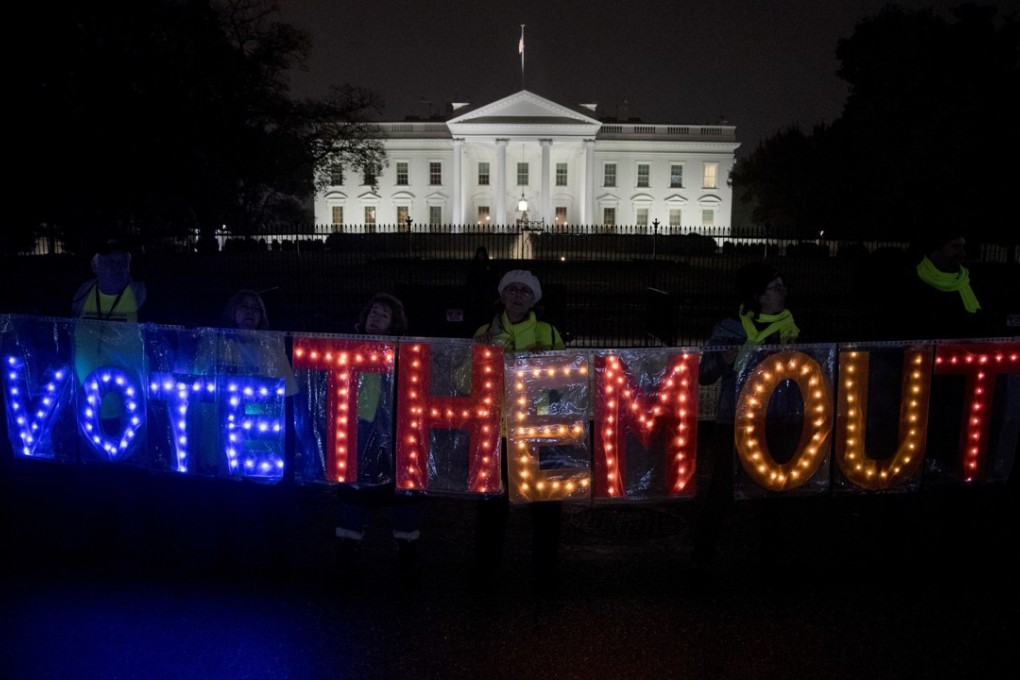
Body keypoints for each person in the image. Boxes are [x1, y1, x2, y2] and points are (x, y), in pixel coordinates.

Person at [693, 261, 800, 563]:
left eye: (783, 286)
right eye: (776, 287)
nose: (784, 292)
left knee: (777, 485)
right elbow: (704, 375)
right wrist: (725, 360)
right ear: (759, 295)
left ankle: (772, 551)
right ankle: (704, 550)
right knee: (723, 486)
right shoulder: (731, 328)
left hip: (778, 417)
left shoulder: (793, 327)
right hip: (736, 418)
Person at [192, 289, 299, 577]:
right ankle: (226, 557)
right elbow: (198, 385)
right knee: (224, 499)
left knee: (268, 499)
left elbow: (287, 393)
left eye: (256, 308)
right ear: (232, 312)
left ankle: (278, 558)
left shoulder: (271, 345)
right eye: (243, 306)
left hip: (261, 437)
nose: (250, 312)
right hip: (223, 433)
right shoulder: (214, 343)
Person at [471, 269, 566, 583]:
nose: (517, 296)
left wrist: (548, 367)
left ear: (534, 299)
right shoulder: (484, 332)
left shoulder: (550, 334)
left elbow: (567, 386)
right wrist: (480, 355)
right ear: (502, 296)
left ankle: (545, 570)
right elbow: (463, 382)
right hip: (496, 433)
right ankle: (486, 569)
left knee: (547, 510)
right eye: (511, 289)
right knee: (492, 509)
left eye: (525, 291)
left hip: (540, 432)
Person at [334, 293, 421, 570]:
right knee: (353, 490)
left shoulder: (403, 350)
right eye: (373, 311)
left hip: (395, 431)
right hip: (357, 428)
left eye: (384, 314)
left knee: (401, 492)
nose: (376, 317)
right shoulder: (347, 346)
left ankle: (407, 550)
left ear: (394, 322)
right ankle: (349, 547)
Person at [897, 227, 1005, 340]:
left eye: (963, 247)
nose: (963, 253)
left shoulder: (970, 281)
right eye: (955, 246)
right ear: (934, 252)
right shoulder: (910, 283)